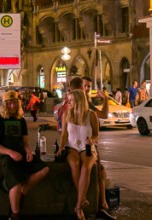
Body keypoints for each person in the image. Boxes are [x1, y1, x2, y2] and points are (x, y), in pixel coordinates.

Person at [0, 90, 49, 220]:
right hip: (6, 156)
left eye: (15, 103)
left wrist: (28, 151)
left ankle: (23, 192)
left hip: (21, 153)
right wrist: (10, 152)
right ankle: (15, 214)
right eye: (9, 103)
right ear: (5, 105)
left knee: (44, 169)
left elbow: (25, 142)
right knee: (15, 183)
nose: (12, 106)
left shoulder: (21, 120)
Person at [60, 89, 100, 220]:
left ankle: (78, 206)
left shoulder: (91, 115)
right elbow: (64, 134)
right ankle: (82, 198)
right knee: (74, 163)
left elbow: (96, 134)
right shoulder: (67, 113)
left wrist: (91, 140)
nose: (68, 102)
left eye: (71, 100)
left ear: (79, 101)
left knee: (87, 166)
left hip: (87, 147)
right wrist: (60, 147)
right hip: (72, 147)